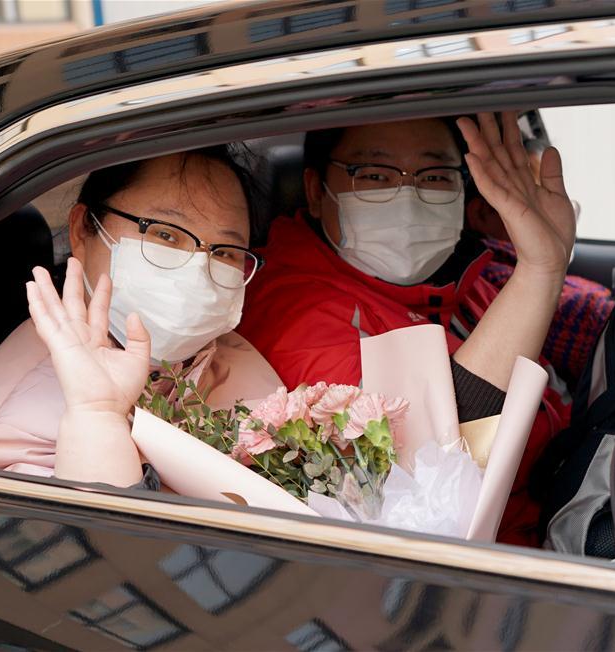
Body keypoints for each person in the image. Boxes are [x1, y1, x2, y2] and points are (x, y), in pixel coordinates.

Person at [237, 113, 575, 546]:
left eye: (434, 176)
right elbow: (427, 482)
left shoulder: (467, 287)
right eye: (374, 175)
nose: (409, 196)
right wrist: (541, 270)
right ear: (314, 192)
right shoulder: (292, 313)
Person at [0, 147, 281, 486]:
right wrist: (99, 419)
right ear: (82, 230)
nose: (199, 270)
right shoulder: (12, 430)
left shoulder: (229, 355)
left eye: (226, 252)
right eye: (166, 234)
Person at [466, 136, 615, 387]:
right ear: (482, 214)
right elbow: (587, 322)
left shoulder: (518, 262)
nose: (558, 206)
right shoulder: (492, 279)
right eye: (538, 196)